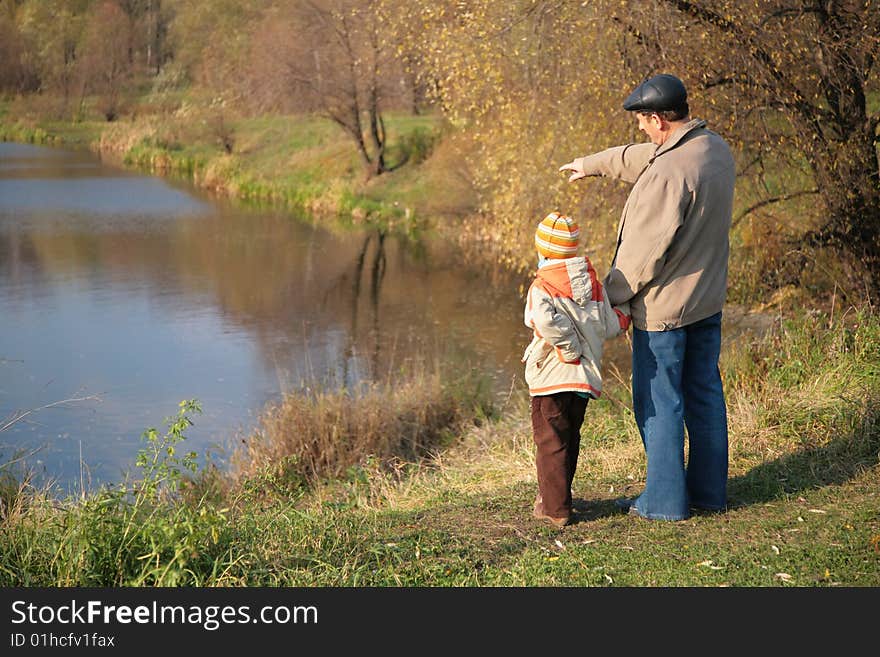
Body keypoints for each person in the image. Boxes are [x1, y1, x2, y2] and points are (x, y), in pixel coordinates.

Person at [558, 73, 736, 521]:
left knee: (659, 404)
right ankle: (708, 493)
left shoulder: (666, 177)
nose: (639, 128)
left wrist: (607, 301)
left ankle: (664, 502)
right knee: (704, 395)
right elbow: (648, 158)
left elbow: (641, 257)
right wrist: (592, 162)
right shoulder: (712, 148)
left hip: (665, 314)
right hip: (706, 302)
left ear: (658, 119)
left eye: (642, 120)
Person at [524, 211, 630, 527]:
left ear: (542, 251)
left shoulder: (541, 286)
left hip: (552, 376)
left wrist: (569, 348)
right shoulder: (593, 284)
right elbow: (610, 326)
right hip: (583, 379)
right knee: (569, 437)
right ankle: (557, 496)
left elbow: (544, 322)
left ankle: (554, 509)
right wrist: (624, 313)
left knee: (550, 440)